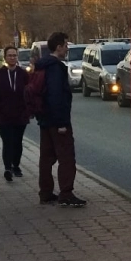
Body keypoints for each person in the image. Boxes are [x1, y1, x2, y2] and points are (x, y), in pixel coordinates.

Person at [34, 33, 86, 207]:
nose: (67, 48)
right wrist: (62, 123)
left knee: (46, 158)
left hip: (44, 119)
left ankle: (46, 192)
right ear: (58, 47)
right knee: (66, 157)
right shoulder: (55, 68)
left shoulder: (42, 65)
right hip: (57, 121)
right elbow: (56, 97)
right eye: (65, 45)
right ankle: (66, 193)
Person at [0, 46, 30, 181]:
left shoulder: (23, 74)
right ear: (5, 57)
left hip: (20, 115)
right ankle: (7, 168)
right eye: (10, 55)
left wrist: (27, 109)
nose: (12, 58)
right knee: (7, 142)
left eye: (14, 55)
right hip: (3, 116)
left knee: (17, 142)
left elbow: (29, 93)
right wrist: (1, 107)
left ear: (17, 57)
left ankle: (16, 166)